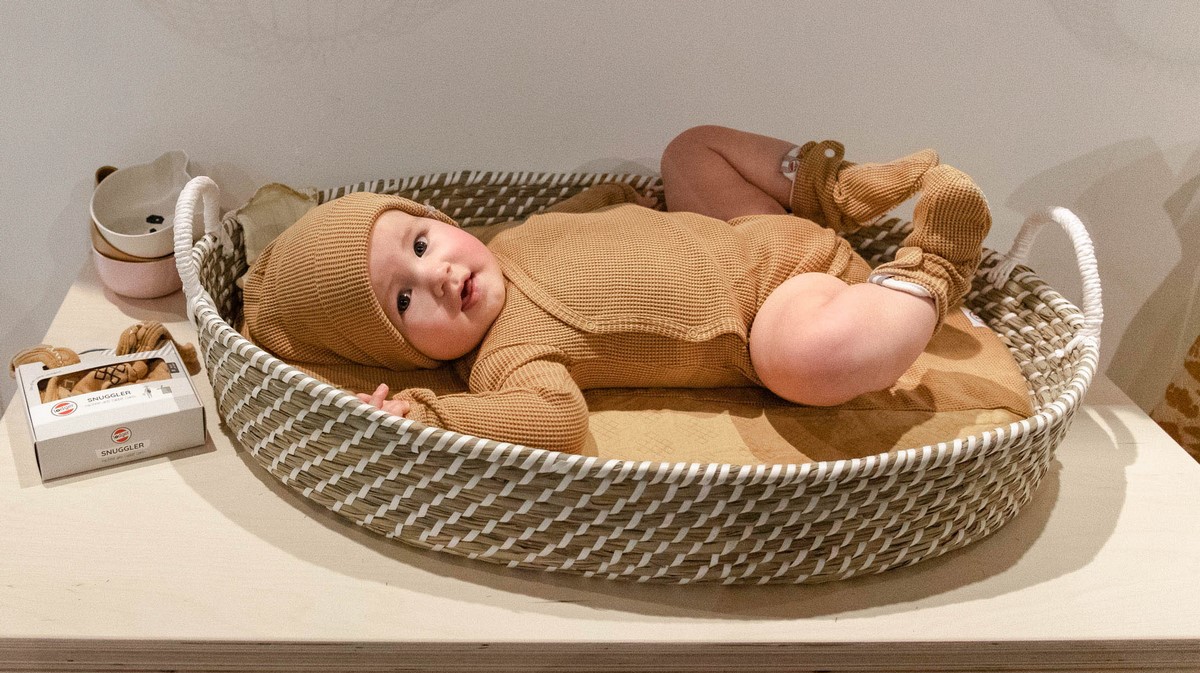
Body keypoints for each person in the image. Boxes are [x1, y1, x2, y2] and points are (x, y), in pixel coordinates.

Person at [242, 125, 991, 453]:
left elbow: (589, 216)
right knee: (802, 360)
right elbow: (554, 422)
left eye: (420, 243)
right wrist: (431, 416)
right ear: (400, 354)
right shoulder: (500, 361)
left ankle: (836, 189)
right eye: (404, 302)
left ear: (437, 219)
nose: (436, 274)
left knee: (690, 150)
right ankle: (929, 272)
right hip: (778, 302)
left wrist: (612, 200)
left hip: (752, 230)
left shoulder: (507, 239)